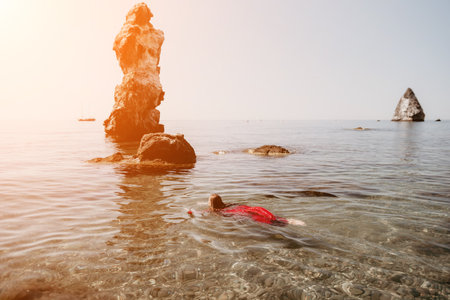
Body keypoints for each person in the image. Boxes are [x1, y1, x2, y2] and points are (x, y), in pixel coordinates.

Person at [207, 193, 305, 226]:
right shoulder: (227, 205)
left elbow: (201, 213)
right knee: (264, 214)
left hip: (239, 212)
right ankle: (287, 220)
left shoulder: (215, 211)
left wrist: (191, 212)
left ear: (211, 203)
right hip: (244, 208)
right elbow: (236, 204)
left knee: (262, 219)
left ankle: (284, 222)